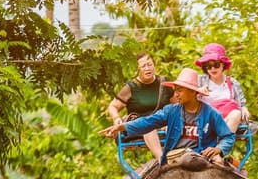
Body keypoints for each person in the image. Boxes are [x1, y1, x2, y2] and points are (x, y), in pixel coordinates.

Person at [101, 68, 234, 163]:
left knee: (219, 163)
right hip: (176, 157)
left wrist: (218, 149)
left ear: (193, 92)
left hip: (203, 157)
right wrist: (122, 127)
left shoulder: (211, 114)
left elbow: (228, 137)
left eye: (180, 90)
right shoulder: (171, 111)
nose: (176, 94)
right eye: (175, 90)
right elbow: (148, 122)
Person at [106, 52, 170, 159]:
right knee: (148, 127)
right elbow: (113, 106)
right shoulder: (131, 87)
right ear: (137, 70)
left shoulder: (164, 83)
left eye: (149, 64)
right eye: (143, 66)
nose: (147, 68)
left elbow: (178, 105)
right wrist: (116, 118)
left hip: (163, 125)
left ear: (154, 65)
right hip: (140, 127)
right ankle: (161, 160)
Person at [195, 42, 249, 134]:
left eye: (216, 65)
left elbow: (241, 103)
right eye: (208, 66)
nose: (212, 69)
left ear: (223, 64)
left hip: (227, 121)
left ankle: (221, 145)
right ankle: (221, 143)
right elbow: (186, 99)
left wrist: (244, 109)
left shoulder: (232, 83)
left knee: (236, 113)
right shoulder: (199, 81)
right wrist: (198, 92)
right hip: (206, 121)